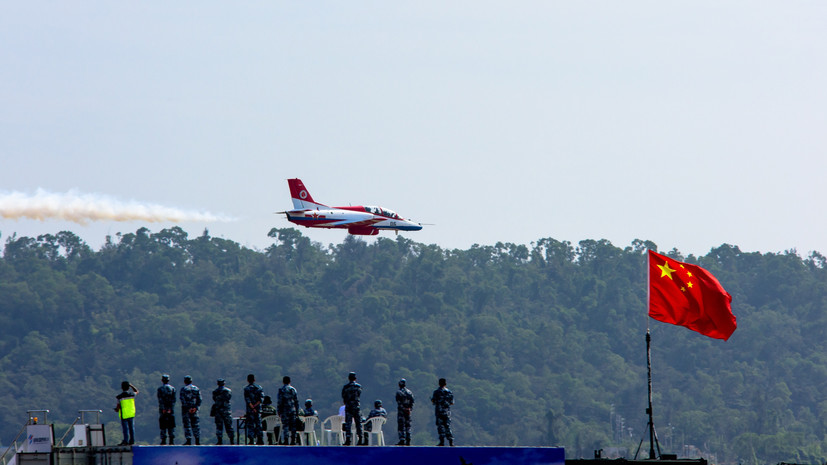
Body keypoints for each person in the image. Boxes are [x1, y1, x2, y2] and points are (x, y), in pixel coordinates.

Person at [341, 372, 363, 445]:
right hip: (356, 406)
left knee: (348, 423)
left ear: (349, 378)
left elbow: (343, 396)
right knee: (358, 423)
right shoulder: (358, 386)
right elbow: (359, 395)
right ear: (355, 378)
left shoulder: (346, 387)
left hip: (349, 406)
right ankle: (360, 439)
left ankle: (348, 439)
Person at [430, 378, 454, 446]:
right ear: (445, 383)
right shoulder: (449, 392)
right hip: (447, 412)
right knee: (447, 426)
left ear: (439, 383)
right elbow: (452, 402)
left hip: (439, 412)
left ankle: (442, 441)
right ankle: (451, 441)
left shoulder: (436, 392)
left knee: (440, 427)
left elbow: (434, 401)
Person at [277, 376, 300, 445]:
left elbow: (280, 401)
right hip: (292, 410)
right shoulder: (293, 389)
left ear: (283, 382)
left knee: (285, 425)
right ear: (290, 381)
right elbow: (296, 401)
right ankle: (293, 439)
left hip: (285, 410)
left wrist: (279, 410)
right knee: (293, 425)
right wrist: (297, 411)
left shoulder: (281, 390)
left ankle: (286, 439)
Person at [180, 375, 202, 445]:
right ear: (191, 381)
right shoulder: (196, 389)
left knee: (187, 424)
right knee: (195, 424)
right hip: (194, 409)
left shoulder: (183, 389)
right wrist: (195, 407)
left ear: (184, 382)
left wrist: (188, 408)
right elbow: (199, 399)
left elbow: (182, 400)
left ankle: (188, 440)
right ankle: (197, 440)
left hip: (186, 410)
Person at [115, 381, 139, 445]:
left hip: (124, 414)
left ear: (122, 388)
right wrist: (131, 385)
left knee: (125, 429)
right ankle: (132, 440)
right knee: (131, 428)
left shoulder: (119, 397)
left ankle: (125, 440)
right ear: (128, 387)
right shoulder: (132, 394)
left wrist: (116, 410)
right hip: (131, 413)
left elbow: (118, 407)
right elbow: (137, 391)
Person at [244, 373, 265, 445]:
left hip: (250, 410)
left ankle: (251, 439)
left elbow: (247, 400)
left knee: (250, 424)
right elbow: (261, 399)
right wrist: (256, 406)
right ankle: (260, 439)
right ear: (254, 380)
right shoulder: (259, 388)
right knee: (258, 424)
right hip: (258, 409)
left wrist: (252, 407)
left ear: (247, 380)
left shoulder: (246, 389)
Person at [212, 378, 234, 445]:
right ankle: (231, 441)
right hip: (226, 411)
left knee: (219, 427)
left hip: (218, 411)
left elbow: (214, 399)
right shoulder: (228, 391)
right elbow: (229, 398)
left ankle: (219, 441)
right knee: (229, 426)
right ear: (224, 383)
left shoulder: (215, 391)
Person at [157, 374, 176, 445]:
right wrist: (170, 408)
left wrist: (163, 408)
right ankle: (171, 439)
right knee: (171, 424)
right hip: (171, 409)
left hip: (162, 409)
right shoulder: (173, 389)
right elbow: (174, 400)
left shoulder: (160, 389)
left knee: (163, 425)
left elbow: (160, 399)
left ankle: (163, 439)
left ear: (162, 380)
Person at [395, 378, 414, 445]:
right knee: (408, 425)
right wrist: (409, 409)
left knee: (401, 425)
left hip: (401, 412)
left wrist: (404, 409)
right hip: (408, 411)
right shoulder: (409, 392)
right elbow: (412, 402)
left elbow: (399, 403)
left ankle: (402, 439)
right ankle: (408, 439)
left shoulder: (399, 392)